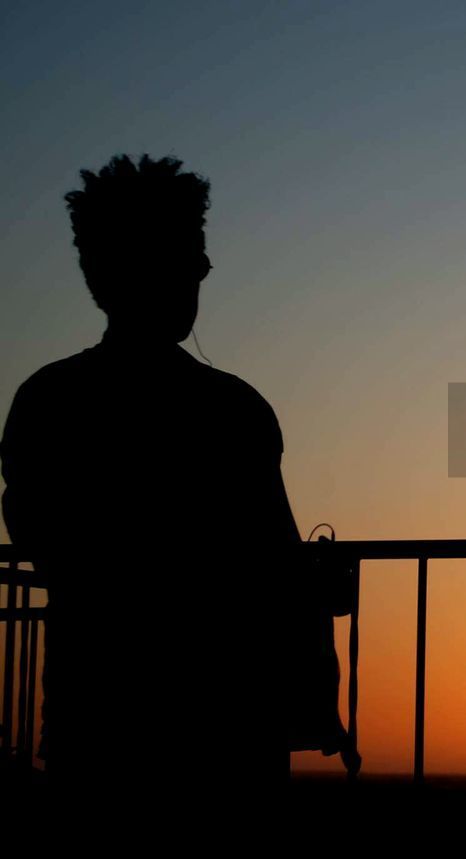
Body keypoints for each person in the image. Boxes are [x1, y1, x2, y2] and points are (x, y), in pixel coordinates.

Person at [0, 153, 300, 794]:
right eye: (191, 256)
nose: (200, 271)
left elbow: (37, 536)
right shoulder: (233, 410)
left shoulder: (47, 400)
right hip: (226, 721)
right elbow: (278, 560)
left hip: (97, 712)